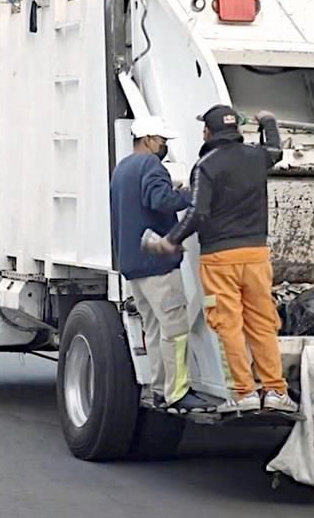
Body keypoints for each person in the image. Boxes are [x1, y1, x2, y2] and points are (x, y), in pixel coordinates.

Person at [143, 105, 297, 414]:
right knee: (262, 323)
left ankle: (244, 393)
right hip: (256, 255)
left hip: (220, 259)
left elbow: (198, 212)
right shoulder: (257, 157)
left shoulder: (206, 166)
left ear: (207, 133)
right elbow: (276, 150)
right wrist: (268, 120)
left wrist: (170, 241)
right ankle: (276, 391)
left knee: (229, 325)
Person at [109, 116, 211, 413]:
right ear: (148, 139)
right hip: (158, 265)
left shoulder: (123, 168)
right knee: (175, 329)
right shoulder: (151, 166)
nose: (164, 146)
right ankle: (177, 393)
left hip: (133, 264)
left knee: (153, 329)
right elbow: (160, 200)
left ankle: (159, 389)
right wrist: (192, 194)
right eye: (162, 141)